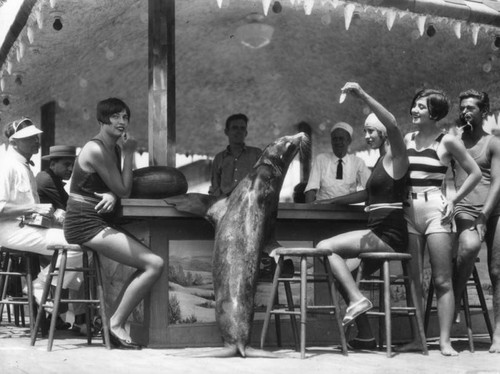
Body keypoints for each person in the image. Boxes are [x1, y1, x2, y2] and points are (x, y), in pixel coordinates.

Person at [63, 98, 164, 349]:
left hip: (98, 218)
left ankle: (111, 322)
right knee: (154, 263)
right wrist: (129, 155)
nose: (122, 122)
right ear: (102, 120)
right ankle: (116, 325)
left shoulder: (114, 148)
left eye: (125, 117)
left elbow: (119, 187)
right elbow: (124, 187)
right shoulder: (96, 149)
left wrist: (114, 193)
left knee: (149, 262)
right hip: (83, 221)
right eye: (115, 117)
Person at [314, 82, 410, 334]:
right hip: (377, 232)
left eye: (371, 131)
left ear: (383, 133)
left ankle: (357, 301)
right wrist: (330, 201)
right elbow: (366, 193)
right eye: (365, 131)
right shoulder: (380, 160)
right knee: (342, 275)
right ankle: (366, 334)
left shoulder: (397, 157)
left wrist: (362, 94)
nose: (366, 136)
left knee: (324, 247)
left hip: (387, 234)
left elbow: (392, 123)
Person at [402, 88, 481, 356]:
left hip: (436, 209)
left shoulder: (447, 141)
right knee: (413, 279)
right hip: (409, 209)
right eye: (415, 105)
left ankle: (444, 341)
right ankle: (418, 339)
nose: (414, 109)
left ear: (434, 113)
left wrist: (455, 199)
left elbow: (475, 173)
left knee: (442, 279)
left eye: (421, 107)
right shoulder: (407, 138)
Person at [0, 118, 83, 311]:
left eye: (36, 136)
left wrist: (52, 216)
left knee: (79, 241)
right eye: (29, 138)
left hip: (24, 228)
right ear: (13, 142)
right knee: (78, 244)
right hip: (10, 231)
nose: (36, 141)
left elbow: (30, 211)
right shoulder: (7, 166)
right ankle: (41, 285)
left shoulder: (24, 167)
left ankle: (46, 290)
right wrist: (34, 208)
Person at [452, 89, 500, 353]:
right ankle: (456, 299)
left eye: (471, 107)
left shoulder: (493, 143)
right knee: (469, 247)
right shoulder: (454, 141)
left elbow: (498, 182)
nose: (465, 111)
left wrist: (485, 216)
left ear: (484, 111)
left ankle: (498, 334)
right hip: (465, 209)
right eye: (463, 108)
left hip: (493, 209)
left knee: (497, 270)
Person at [304, 122, 370, 203]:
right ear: (331, 141)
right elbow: (311, 188)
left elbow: (370, 189)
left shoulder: (357, 162)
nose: (337, 142)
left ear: (349, 141)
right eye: (335, 139)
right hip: (323, 210)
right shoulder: (321, 159)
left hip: (348, 211)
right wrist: (308, 211)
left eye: (341, 139)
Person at [208, 113, 262, 197]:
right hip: (224, 206)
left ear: (246, 133)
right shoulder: (219, 158)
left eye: (242, 128)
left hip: (249, 204)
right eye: (235, 128)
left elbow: (263, 182)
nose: (239, 131)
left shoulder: (256, 154)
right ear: (226, 131)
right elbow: (215, 187)